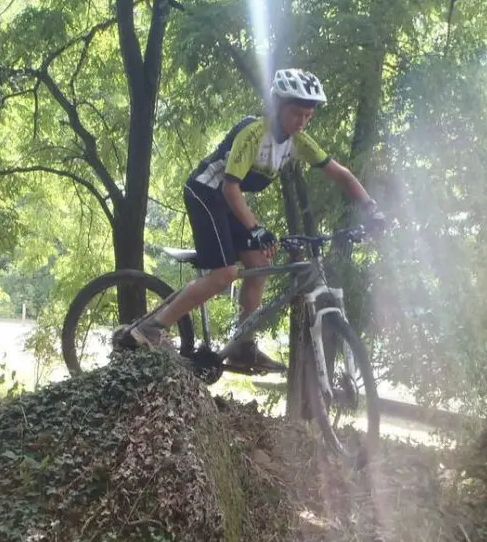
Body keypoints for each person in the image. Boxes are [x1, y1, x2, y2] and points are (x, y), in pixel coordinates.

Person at [132, 68, 383, 372]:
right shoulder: (253, 133)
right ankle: (152, 327)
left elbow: (339, 173)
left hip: (226, 200)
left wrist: (371, 208)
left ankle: (242, 345)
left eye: (308, 115)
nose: (301, 122)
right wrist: (255, 228)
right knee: (224, 274)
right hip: (205, 192)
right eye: (296, 113)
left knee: (260, 265)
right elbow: (229, 186)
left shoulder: (298, 141)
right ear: (277, 105)